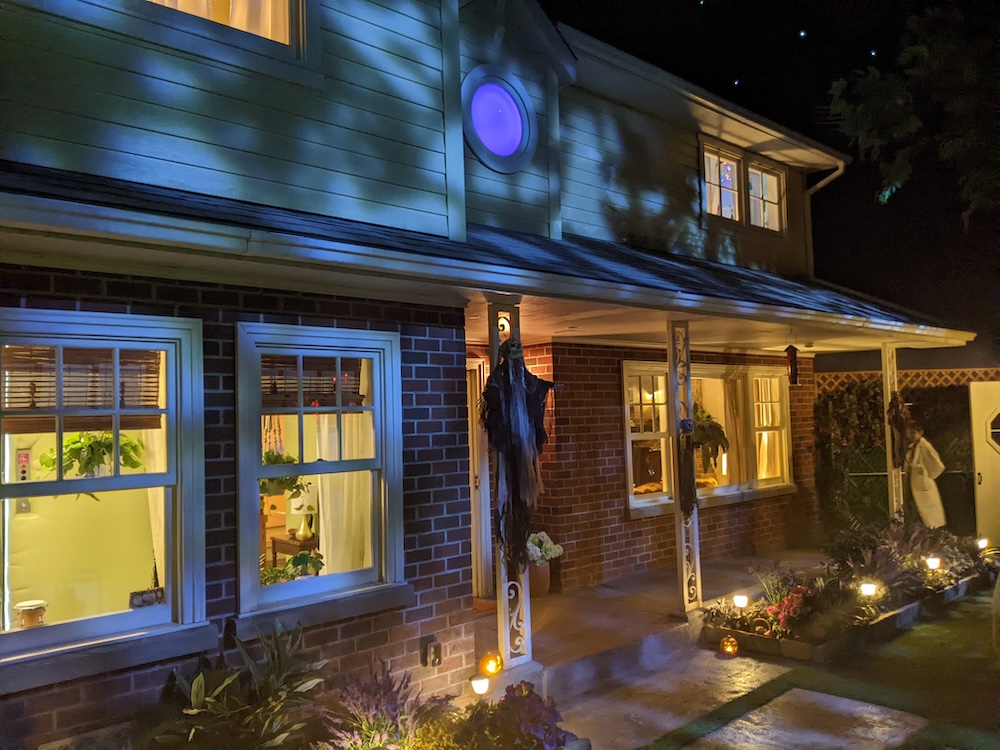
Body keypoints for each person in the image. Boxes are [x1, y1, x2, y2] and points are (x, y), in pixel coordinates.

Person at [905, 420, 946, 528]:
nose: (911, 435)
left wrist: (927, 476)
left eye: (913, 432)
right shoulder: (911, 448)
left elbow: (938, 465)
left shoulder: (925, 446)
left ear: (920, 432)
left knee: (930, 520)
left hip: (924, 487)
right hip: (913, 488)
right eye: (909, 432)